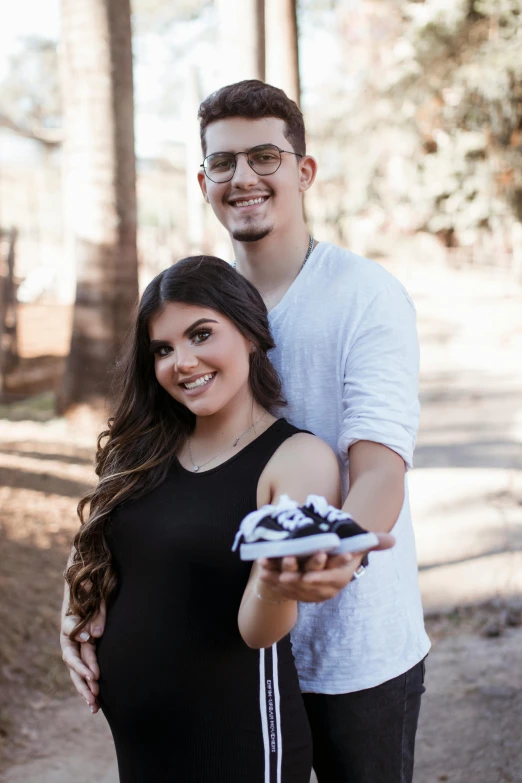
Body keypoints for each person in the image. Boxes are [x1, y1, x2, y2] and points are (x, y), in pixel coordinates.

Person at [61, 80, 431, 782]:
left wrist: (334, 554)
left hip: (350, 652)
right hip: (228, 656)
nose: (244, 178)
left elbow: (380, 469)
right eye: (224, 162)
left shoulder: (364, 296)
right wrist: (82, 595)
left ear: (304, 170)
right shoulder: (196, 309)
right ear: (204, 181)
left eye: (265, 156)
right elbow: (143, 475)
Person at [63, 255, 391, 783]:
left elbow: (259, 633)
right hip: (141, 751)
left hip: (238, 742)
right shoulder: (143, 453)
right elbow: (105, 546)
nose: (182, 362)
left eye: (201, 335)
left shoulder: (296, 458)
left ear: (251, 334)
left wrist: (278, 576)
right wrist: (72, 608)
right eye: (163, 349)